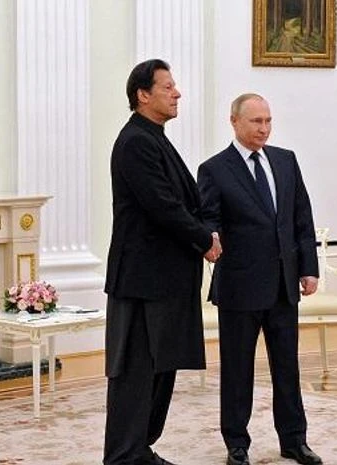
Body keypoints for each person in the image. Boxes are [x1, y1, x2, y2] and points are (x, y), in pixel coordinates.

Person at [104, 58, 221, 465]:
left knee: (158, 370)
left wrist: (205, 230)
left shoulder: (154, 137)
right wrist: (204, 238)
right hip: (141, 281)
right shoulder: (136, 140)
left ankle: (139, 449)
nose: (178, 93)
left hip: (161, 279)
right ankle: (124, 455)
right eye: (168, 86)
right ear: (143, 94)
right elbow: (162, 206)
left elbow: (180, 201)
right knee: (136, 372)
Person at [197, 94, 323, 465]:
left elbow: (302, 216)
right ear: (234, 122)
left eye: (268, 121)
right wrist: (209, 239)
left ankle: (294, 440)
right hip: (239, 285)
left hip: (284, 283)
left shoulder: (285, 161)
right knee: (238, 370)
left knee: (288, 366)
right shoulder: (214, 169)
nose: (263, 129)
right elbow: (208, 218)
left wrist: (308, 267)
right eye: (256, 122)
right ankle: (237, 444)